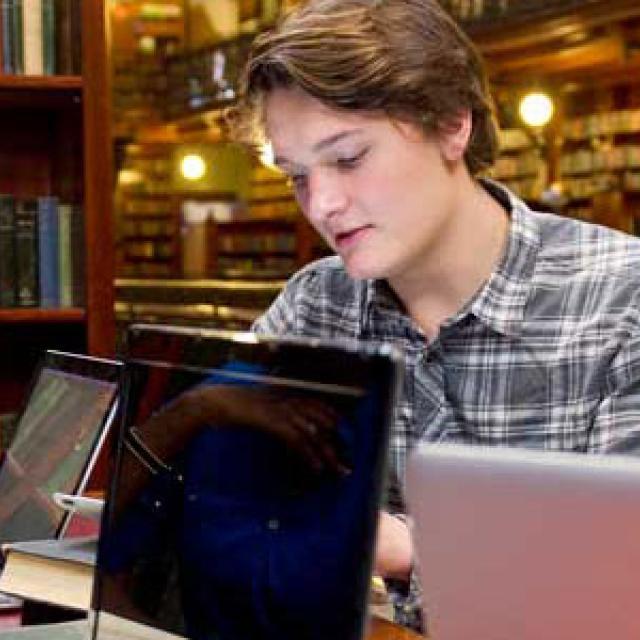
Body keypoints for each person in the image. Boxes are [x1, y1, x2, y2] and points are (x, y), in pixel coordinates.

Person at [229, 0, 640, 632]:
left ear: (453, 124)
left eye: (348, 157)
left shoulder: (623, 300)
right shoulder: (314, 303)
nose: (323, 205)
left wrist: (404, 546)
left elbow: (620, 586)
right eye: (298, 176)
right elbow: (231, 503)